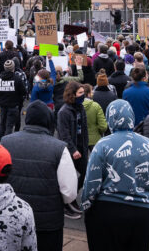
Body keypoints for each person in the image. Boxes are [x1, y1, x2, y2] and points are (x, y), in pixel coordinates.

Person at [82, 99, 149, 251]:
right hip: (141, 212)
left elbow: (91, 183)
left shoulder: (103, 144)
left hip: (107, 210)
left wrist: (86, 205)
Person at [1, 101, 78, 248]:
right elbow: (69, 192)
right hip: (47, 223)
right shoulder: (59, 148)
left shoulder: (6, 142)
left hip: (12, 217)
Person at [57, 81, 88, 217]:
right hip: (70, 150)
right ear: (72, 94)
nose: (83, 95)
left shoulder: (80, 108)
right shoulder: (64, 112)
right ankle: (66, 202)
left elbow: (84, 130)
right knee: (68, 178)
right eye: (80, 93)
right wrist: (72, 149)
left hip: (81, 148)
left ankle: (71, 197)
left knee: (86, 173)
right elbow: (64, 134)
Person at [0, 59, 27, 143]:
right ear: (13, 68)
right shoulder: (17, 79)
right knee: (9, 126)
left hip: (2, 105)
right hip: (13, 105)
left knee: (2, 124)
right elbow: (24, 92)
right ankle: (6, 144)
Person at [82, 84, 108, 151]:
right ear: (88, 94)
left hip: (81, 139)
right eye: (91, 91)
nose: (93, 93)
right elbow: (103, 126)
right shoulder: (96, 106)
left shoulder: (76, 106)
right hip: (95, 139)